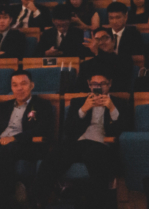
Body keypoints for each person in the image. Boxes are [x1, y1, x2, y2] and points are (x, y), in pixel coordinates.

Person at [31, 68, 130, 209]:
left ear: (109, 84)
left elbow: (123, 131)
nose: (98, 87)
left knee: (93, 154)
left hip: (102, 146)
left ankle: (97, 204)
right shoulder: (78, 102)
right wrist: (83, 109)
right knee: (54, 155)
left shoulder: (119, 103)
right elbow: (69, 131)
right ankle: (37, 200)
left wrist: (112, 108)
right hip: (79, 144)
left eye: (103, 84)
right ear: (89, 85)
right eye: (95, 84)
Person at [0, 70, 54, 209]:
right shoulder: (3, 107)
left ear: (32, 85)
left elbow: (41, 130)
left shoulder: (43, 105)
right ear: (11, 88)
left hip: (28, 145)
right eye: (15, 85)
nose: (19, 88)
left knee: (5, 152)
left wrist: (14, 138)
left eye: (23, 84)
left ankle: (2, 201)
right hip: (1, 144)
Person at [75, 28, 134, 92]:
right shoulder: (85, 65)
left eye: (105, 38)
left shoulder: (124, 60)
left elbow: (118, 84)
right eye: (97, 40)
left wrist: (97, 54)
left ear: (113, 41)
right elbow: (81, 89)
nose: (101, 42)